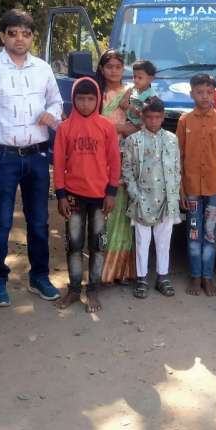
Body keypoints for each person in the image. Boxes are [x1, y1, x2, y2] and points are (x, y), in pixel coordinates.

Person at [0, 8, 64, 306]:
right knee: (0, 222)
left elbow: (56, 101)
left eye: (25, 34)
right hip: (2, 156)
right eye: (13, 33)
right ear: (2, 36)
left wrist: (52, 113)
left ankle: (39, 276)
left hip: (37, 156)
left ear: (33, 37)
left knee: (39, 221)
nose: (19, 39)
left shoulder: (42, 68)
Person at [53, 77, 120, 313]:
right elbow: (58, 163)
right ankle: (73, 289)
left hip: (100, 196)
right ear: (73, 100)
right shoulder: (65, 128)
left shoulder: (106, 126)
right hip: (73, 195)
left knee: (98, 244)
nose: (85, 103)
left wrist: (111, 192)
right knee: (73, 244)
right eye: (80, 98)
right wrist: (61, 195)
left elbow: (114, 161)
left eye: (90, 99)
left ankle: (93, 289)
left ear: (98, 100)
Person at [176, 74, 216, 297]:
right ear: (192, 94)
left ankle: (207, 277)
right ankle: (195, 276)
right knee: (193, 232)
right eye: (200, 92)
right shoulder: (184, 121)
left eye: (209, 92)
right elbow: (178, 157)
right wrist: (180, 188)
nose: (205, 96)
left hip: (214, 188)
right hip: (191, 188)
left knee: (210, 233)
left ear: (214, 94)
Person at [122, 97, 181, 299]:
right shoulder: (133, 140)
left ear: (163, 117)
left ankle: (162, 277)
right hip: (142, 198)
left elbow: (177, 168)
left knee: (164, 241)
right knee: (142, 240)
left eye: (157, 117)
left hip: (166, 198)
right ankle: (142, 279)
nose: (153, 121)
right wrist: (134, 194)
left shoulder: (172, 139)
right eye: (149, 117)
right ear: (142, 117)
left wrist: (175, 192)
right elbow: (127, 169)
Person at [96, 50, 137, 283]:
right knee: (103, 207)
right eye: (109, 66)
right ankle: (101, 268)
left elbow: (140, 122)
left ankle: (120, 270)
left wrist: (126, 129)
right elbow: (91, 123)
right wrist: (118, 129)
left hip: (125, 156)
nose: (114, 71)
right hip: (99, 156)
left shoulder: (130, 93)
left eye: (118, 67)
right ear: (102, 69)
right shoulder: (96, 93)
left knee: (122, 209)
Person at [120, 60, 157, 128]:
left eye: (140, 78)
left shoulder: (150, 96)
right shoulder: (133, 89)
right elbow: (122, 104)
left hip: (140, 126)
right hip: (128, 121)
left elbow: (145, 115)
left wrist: (130, 107)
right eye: (134, 77)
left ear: (150, 79)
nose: (136, 80)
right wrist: (127, 93)